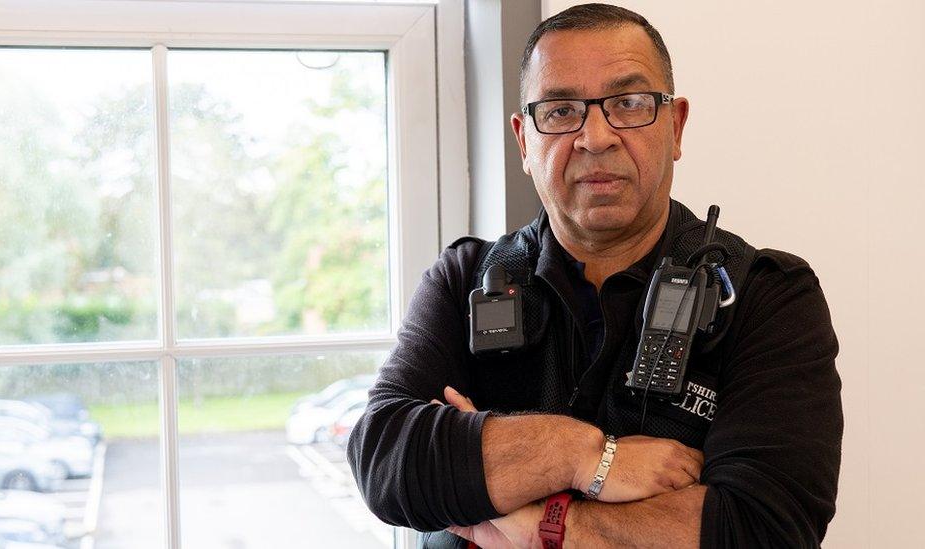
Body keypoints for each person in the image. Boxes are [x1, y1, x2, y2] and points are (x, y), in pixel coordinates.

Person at [346, 3, 842, 548]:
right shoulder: (462, 280)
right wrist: (577, 455)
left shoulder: (766, 296)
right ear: (524, 142)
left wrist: (541, 524)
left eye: (629, 104)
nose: (596, 136)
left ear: (675, 126)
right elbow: (385, 460)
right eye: (561, 111)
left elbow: (767, 529)